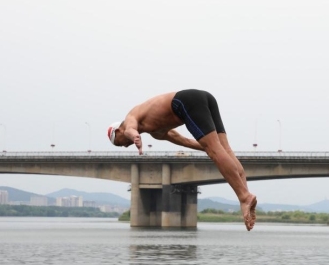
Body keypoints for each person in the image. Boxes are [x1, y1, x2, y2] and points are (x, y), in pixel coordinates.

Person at [107, 89, 257, 231]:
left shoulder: (129, 119)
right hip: (204, 98)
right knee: (224, 151)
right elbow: (186, 141)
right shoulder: (157, 132)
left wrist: (134, 137)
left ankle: (244, 197)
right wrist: (212, 148)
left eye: (121, 143)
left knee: (215, 151)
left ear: (118, 131)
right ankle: (246, 195)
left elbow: (130, 129)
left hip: (185, 101)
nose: (125, 146)